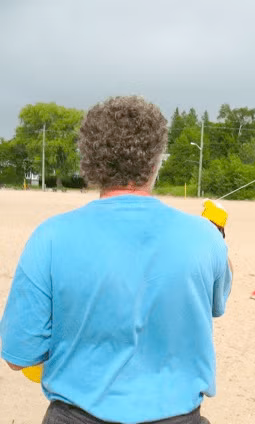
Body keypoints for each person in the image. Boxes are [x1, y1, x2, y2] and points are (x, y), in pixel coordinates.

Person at [0, 96, 232, 424]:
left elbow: (18, 355)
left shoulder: (50, 237)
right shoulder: (205, 238)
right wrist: (215, 238)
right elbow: (217, 298)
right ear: (155, 161)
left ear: (89, 161)